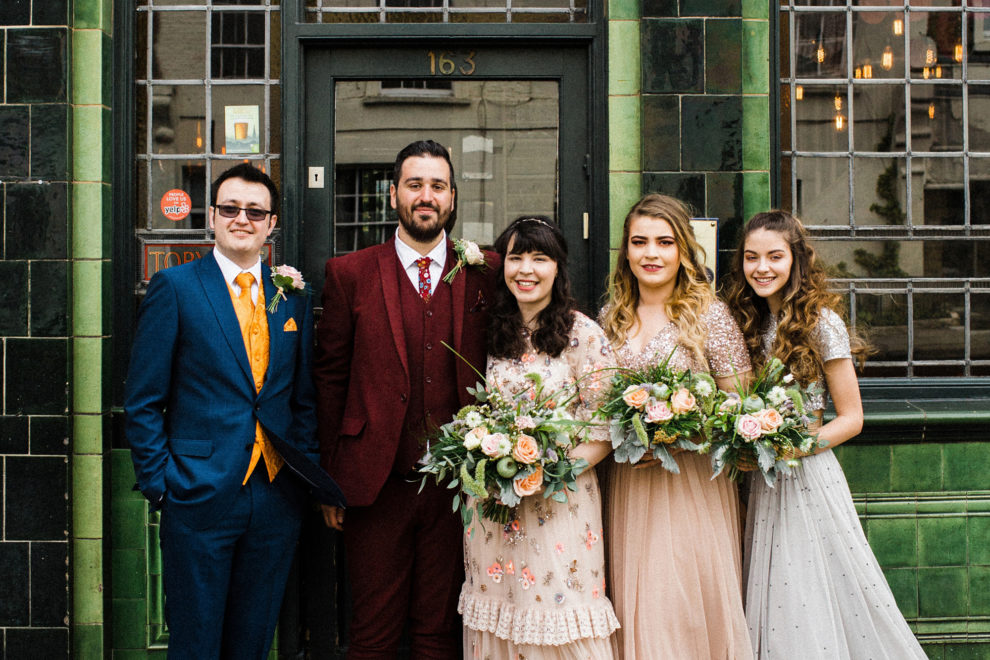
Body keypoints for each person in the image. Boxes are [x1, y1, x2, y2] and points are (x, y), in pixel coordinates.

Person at [124, 163, 324, 659]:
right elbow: (144, 400)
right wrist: (161, 484)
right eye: (230, 208)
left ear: (271, 223)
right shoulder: (175, 287)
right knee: (196, 643)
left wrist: (301, 481)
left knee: (252, 644)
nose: (242, 219)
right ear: (211, 216)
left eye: (255, 211)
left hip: (274, 497)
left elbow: (301, 398)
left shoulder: (291, 297)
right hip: (197, 493)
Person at [314, 140, 498, 659]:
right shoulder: (348, 274)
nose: (426, 196)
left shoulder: (485, 271)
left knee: (438, 635)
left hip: (456, 489)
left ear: (453, 198)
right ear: (393, 193)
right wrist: (330, 481)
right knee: (371, 634)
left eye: (437, 186)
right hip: (375, 486)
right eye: (414, 185)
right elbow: (330, 380)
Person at [724, 210, 926, 659]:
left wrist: (788, 447)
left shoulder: (820, 323)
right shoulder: (749, 323)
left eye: (775, 256)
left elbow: (851, 418)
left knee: (806, 588)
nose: (762, 268)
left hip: (807, 476)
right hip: (761, 480)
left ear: (797, 260)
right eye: (751, 257)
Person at [458, 216, 620, 659]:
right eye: (515, 258)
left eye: (539, 258)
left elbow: (605, 428)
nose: (525, 269)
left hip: (560, 502)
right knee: (500, 608)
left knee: (556, 611)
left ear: (558, 268)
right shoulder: (489, 333)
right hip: (492, 506)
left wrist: (547, 473)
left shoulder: (582, 334)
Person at [599, 193, 753, 659]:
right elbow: (596, 402)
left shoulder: (710, 315)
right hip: (630, 483)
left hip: (692, 485)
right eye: (639, 242)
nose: (651, 253)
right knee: (638, 597)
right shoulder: (611, 318)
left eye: (664, 242)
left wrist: (680, 432)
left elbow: (741, 409)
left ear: (683, 250)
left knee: (684, 598)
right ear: (625, 251)